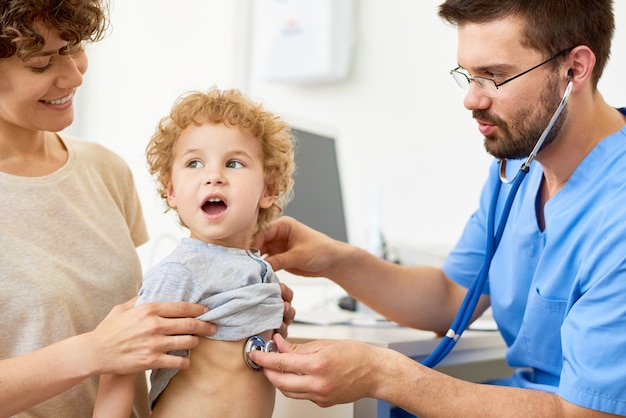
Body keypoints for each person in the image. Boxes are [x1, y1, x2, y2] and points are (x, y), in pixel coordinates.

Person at [249, 0, 626, 417]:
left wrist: (385, 374)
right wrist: (336, 259)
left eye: (495, 76)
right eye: (469, 75)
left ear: (574, 69)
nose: (471, 99)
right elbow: (451, 295)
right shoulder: (519, 168)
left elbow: (587, 414)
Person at [0, 2, 294, 417]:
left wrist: (248, 316)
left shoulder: (104, 170)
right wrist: (93, 353)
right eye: (42, 63)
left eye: (74, 47)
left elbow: (143, 328)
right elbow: (118, 348)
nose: (74, 74)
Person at [94, 87, 296, 418]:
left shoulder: (260, 271)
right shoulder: (180, 272)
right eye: (194, 163)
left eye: (233, 163)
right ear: (171, 190)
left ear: (268, 189)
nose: (213, 177)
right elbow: (122, 361)